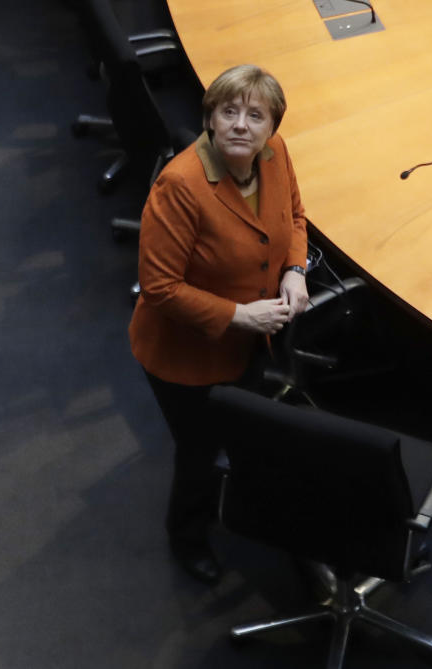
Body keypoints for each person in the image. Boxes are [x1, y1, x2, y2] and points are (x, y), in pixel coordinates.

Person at [129, 64, 309, 585]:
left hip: (250, 344)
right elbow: (159, 288)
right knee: (199, 452)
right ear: (209, 117)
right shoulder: (180, 186)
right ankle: (187, 538)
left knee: (238, 428)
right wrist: (237, 315)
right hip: (185, 357)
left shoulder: (275, 157)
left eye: (256, 115)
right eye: (228, 111)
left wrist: (295, 270)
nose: (240, 125)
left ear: (271, 128)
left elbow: (296, 216)